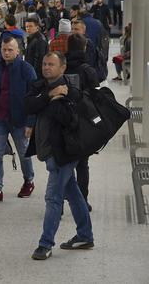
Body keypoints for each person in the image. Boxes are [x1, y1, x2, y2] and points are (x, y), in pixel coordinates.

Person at [25, 52, 94, 260]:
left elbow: (70, 121)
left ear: (62, 68)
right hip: (48, 151)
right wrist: (49, 95)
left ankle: (45, 244)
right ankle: (85, 235)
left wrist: (56, 100)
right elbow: (28, 105)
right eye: (44, 64)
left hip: (64, 153)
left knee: (53, 197)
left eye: (51, 64)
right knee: (72, 190)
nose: (46, 67)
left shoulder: (71, 92)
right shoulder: (40, 87)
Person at [0, 37, 37, 204]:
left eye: (10, 50)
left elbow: (33, 96)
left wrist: (31, 122)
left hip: (19, 120)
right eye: (4, 49)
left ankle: (29, 180)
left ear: (18, 51)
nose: (6, 52)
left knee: (24, 153)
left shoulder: (26, 69)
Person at [65, 33, 100, 212]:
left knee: (63, 164)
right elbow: (96, 97)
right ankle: (82, 201)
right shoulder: (88, 70)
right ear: (84, 48)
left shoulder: (60, 65)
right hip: (82, 122)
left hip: (62, 119)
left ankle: (60, 202)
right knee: (82, 164)